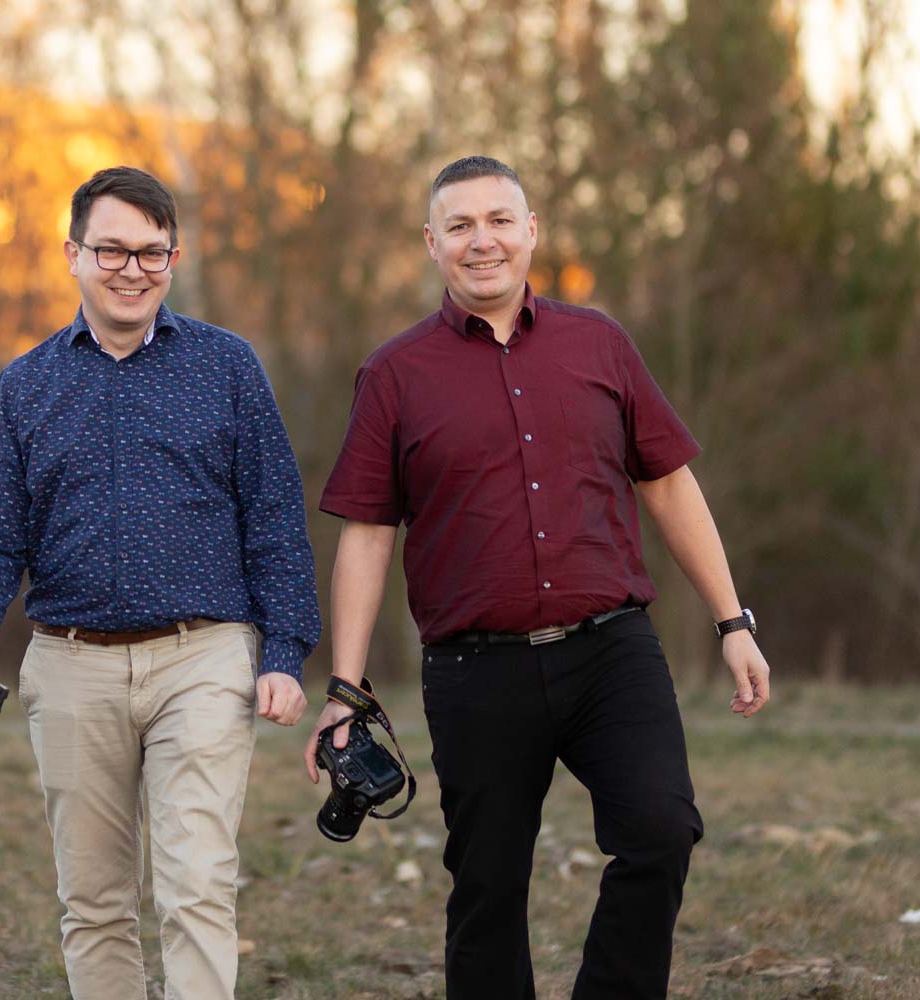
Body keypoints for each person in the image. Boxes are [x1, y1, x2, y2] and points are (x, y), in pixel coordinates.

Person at [304, 155, 771, 999]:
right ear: (431, 243)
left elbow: (666, 482)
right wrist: (345, 685)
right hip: (475, 673)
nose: (481, 241)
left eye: (498, 220)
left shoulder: (601, 344)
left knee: (662, 831)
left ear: (531, 233)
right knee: (488, 890)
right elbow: (368, 534)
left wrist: (732, 622)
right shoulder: (394, 375)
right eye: (459, 226)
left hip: (611, 653)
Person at [0, 165, 320, 1000]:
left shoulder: (227, 368)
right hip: (70, 665)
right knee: (94, 902)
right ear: (73, 254)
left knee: (196, 884)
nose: (132, 270)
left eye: (151, 252)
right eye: (112, 250)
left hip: (203, 659)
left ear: (174, 257)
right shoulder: (24, 386)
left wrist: (284, 649)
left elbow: (275, 518)